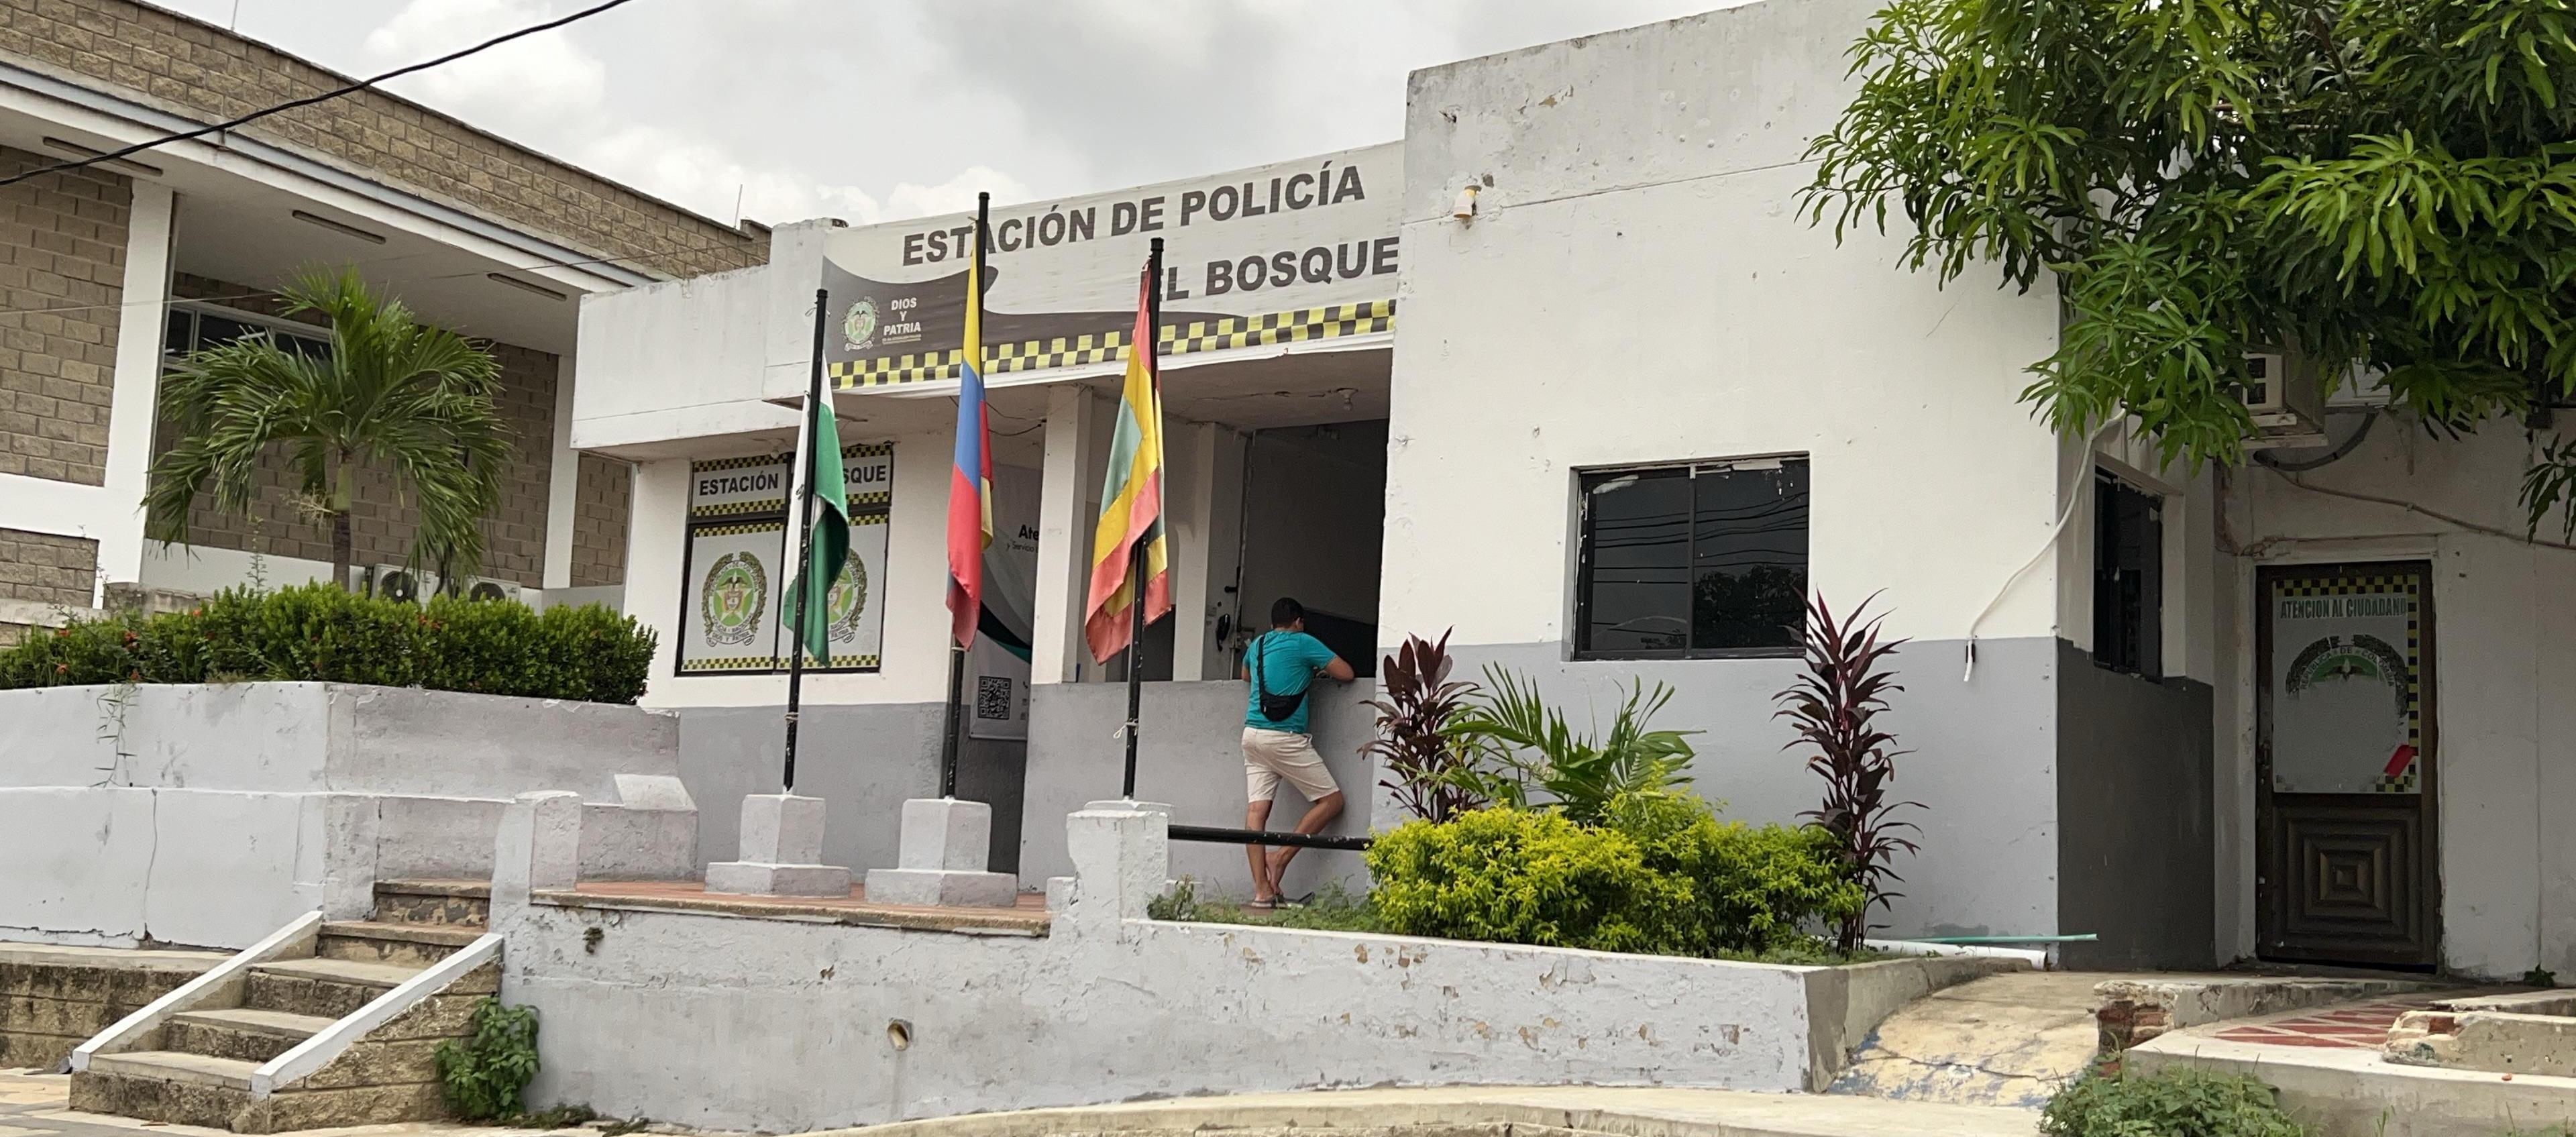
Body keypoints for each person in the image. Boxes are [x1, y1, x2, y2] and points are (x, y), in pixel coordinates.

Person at [1238, 596, 1354, 910]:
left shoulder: (1258, 645)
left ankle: (1262, 891)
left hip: (1252, 736)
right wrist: (1312, 669)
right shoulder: (1303, 642)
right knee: (1332, 802)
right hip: (1284, 738)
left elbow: (1246, 677)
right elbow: (1346, 673)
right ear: (1299, 621)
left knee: (1256, 813)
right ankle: (1280, 857)